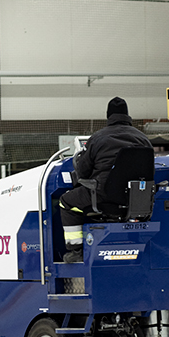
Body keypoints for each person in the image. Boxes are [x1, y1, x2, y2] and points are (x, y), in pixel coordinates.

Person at [59, 97, 152, 263]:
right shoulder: (143, 139)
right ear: (127, 115)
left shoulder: (98, 138)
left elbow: (83, 171)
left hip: (102, 196)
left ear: (108, 116)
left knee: (66, 202)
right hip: (135, 200)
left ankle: (76, 250)